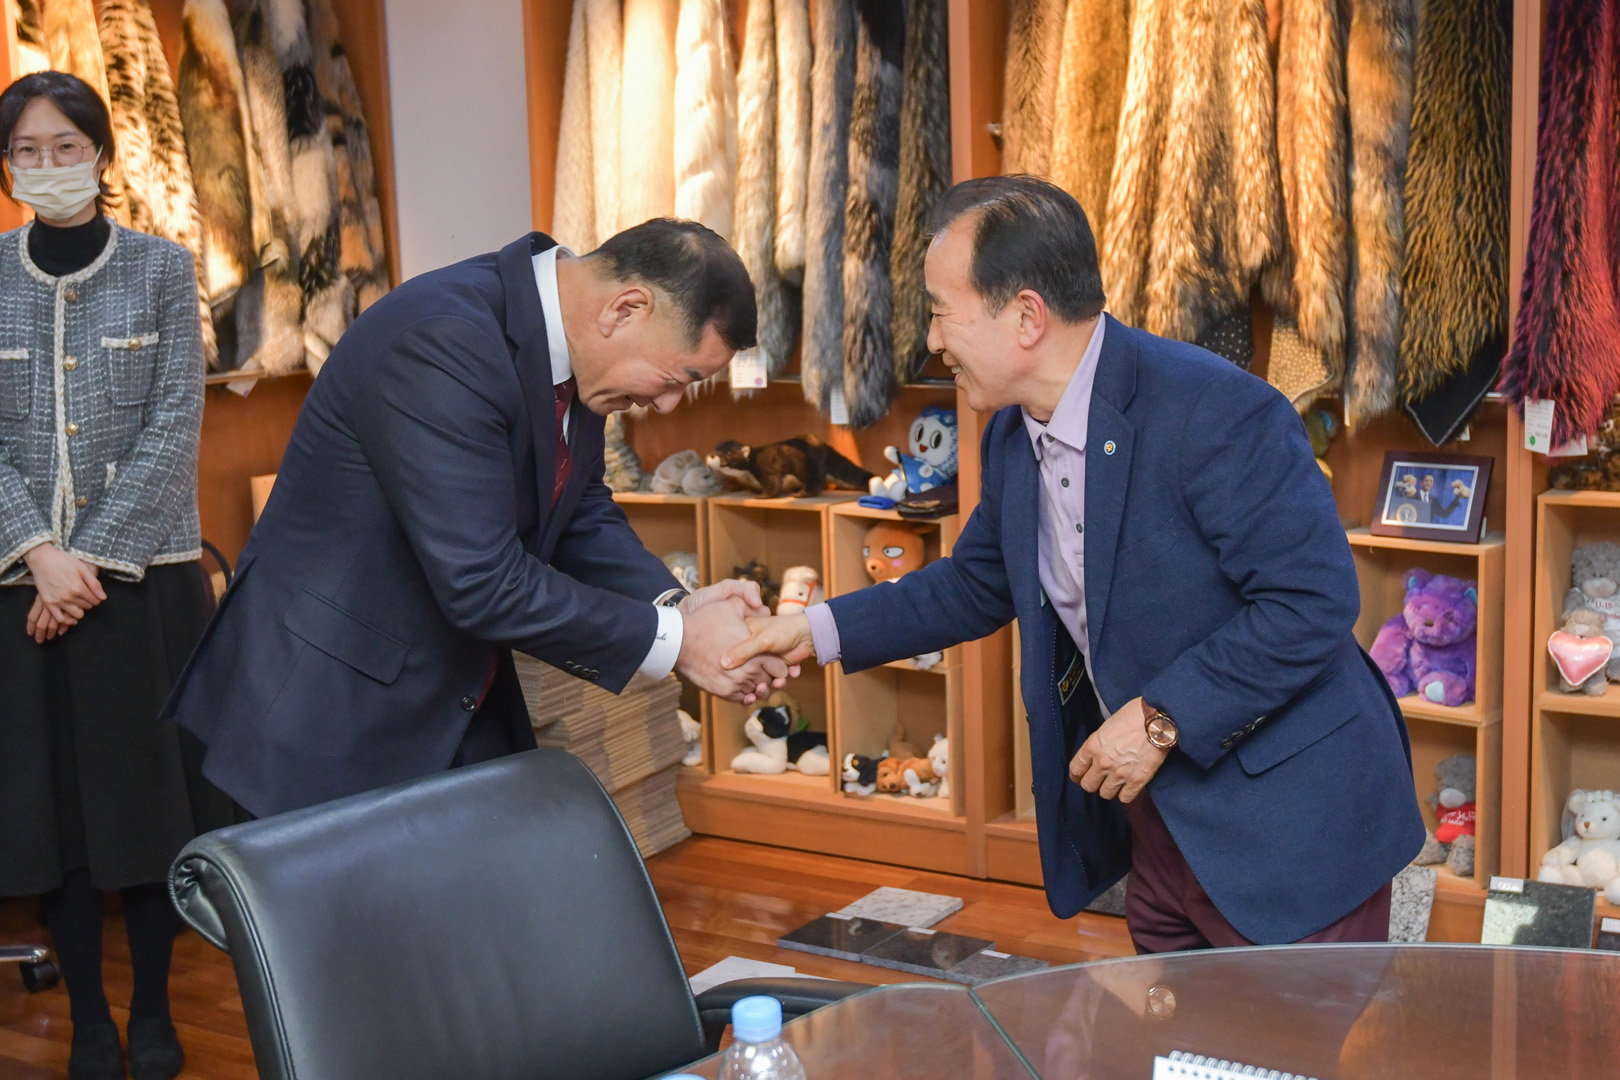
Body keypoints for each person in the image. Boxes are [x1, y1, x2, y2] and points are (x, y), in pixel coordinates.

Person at [724, 176, 1425, 952]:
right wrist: (813, 630)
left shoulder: (1215, 410)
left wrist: (1160, 718)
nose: (932, 341)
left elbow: (1311, 602)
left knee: (1290, 1030)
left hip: (1292, 829)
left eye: (940, 312)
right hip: (1161, 825)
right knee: (1176, 1028)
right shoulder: (1011, 435)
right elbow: (975, 583)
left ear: (1027, 316)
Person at [162, 218, 796, 818]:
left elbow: (581, 512)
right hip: (324, 713)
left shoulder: (572, 351)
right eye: (677, 377)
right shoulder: (445, 339)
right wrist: (678, 641)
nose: (668, 404)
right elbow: (483, 581)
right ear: (625, 309)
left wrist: (677, 605)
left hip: (445, 692)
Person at [0, 72, 213, 1080]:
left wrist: (83, 560)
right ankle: (88, 1019)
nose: (47, 166)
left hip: (142, 586)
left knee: (147, 808)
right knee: (57, 822)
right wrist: (39, 554)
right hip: (20, 589)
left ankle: (156, 1010)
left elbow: (175, 429)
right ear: (7, 167)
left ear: (101, 154)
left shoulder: (164, 268)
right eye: (27, 151)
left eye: (65, 147)